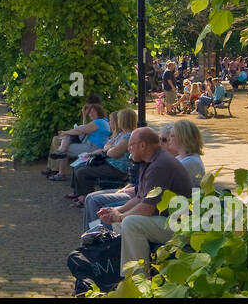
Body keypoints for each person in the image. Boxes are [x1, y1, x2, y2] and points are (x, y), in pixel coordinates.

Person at [96, 127, 194, 279]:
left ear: (143, 145)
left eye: (131, 145)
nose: (129, 150)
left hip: (180, 227)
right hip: (165, 220)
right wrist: (116, 211)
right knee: (120, 220)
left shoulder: (159, 165)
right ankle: (116, 272)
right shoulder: (149, 162)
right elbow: (140, 198)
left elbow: (147, 208)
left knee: (130, 223)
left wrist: (121, 216)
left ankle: (137, 281)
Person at [70, 108, 135, 204]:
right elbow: (106, 147)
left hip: (118, 169)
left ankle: (86, 199)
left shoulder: (128, 137)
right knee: (80, 166)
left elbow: (113, 153)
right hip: (110, 164)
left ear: (123, 120)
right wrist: (110, 147)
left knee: (83, 171)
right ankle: (83, 195)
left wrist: (110, 148)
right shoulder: (121, 134)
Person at [45, 105, 111, 182]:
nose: (91, 114)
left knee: (64, 150)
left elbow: (81, 131)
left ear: (99, 112)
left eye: (93, 112)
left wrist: (64, 132)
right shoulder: (101, 122)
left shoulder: (99, 122)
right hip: (91, 145)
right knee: (65, 142)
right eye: (90, 113)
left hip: (93, 147)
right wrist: (84, 115)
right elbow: (84, 127)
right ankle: (60, 154)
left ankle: (61, 172)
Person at [164, 119, 206, 188]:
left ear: (183, 138)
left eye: (172, 136)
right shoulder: (181, 158)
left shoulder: (190, 162)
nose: (169, 139)